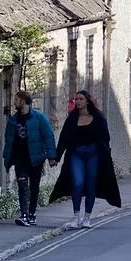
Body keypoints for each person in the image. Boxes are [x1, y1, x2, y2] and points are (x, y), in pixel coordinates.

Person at [50, 91, 121, 228]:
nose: (78, 101)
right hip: (76, 153)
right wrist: (56, 157)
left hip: (93, 154)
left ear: (87, 101)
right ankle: (76, 217)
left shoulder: (98, 117)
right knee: (77, 183)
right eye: (76, 99)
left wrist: (105, 154)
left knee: (90, 184)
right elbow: (64, 138)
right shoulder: (72, 118)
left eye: (81, 99)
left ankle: (87, 218)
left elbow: (105, 138)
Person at [3, 91, 57, 227]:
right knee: (22, 186)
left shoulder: (39, 118)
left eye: (16, 99)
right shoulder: (13, 121)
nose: (14, 102)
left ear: (23, 101)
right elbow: (8, 141)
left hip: (36, 157)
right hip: (20, 158)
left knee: (34, 187)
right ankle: (24, 215)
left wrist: (51, 157)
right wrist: (7, 157)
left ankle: (32, 213)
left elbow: (48, 136)